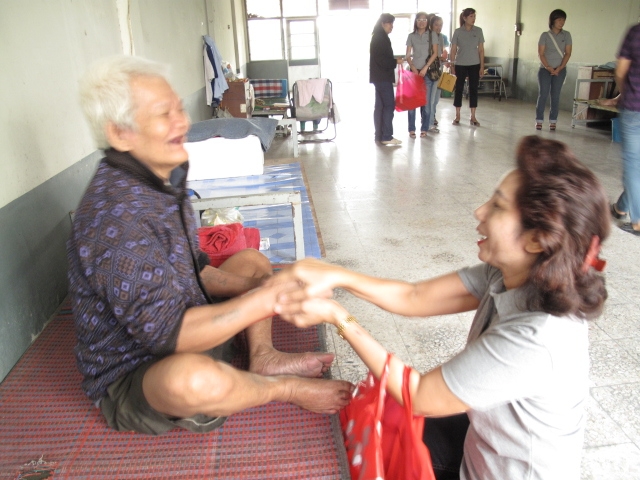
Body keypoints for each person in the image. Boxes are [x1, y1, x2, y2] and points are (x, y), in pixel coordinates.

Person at [274, 135, 610, 479]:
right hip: (481, 439)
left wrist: (338, 316)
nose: (479, 212)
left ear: (537, 239)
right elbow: (414, 296)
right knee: (381, 425)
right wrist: (338, 275)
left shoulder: (537, 339)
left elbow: (420, 395)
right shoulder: (510, 273)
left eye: (497, 206)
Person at [67, 55, 352, 435]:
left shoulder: (159, 178)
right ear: (120, 133)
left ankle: (263, 358)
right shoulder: (114, 218)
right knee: (189, 379)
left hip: (188, 319)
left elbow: (197, 270)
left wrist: (259, 285)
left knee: (250, 260)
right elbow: (172, 335)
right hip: (141, 369)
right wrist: (268, 299)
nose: (182, 123)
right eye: (163, 114)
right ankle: (282, 386)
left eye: (179, 109)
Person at [610, 23, 640, 236]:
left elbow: (620, 71)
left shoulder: (635, 32)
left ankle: (638, 221)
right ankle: (621, 207)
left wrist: (625, 93)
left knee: (633, 163)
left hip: (634, 107)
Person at [535, 9, 572, 131]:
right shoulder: (545, 35)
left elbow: (568, 53)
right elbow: (541, 53)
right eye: (559, 19)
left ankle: (553, 120)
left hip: (560, 70)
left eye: (563, 20)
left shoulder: (566, 35)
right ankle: (539, 120)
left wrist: (560, 68)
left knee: (555, 95)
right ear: (553, 20)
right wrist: (548, 67)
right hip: (545, 70)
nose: (562, 22)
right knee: (543, 94)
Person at [370, 13, 404, 145]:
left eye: (392, 23)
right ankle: (387, 136)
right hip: (383, 77)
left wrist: (394, 60)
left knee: (380, 106)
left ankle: (379, 135)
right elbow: (382, 60)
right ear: (382, 23)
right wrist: (395, 61)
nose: (391, 26)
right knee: (389, 105)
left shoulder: (378, 36)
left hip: (379, 77)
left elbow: (381, 58)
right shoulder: (381, 38)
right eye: (389, 23)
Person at [450, 8, 485, 126]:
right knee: (459, 89)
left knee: (473, 89)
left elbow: (481, 50)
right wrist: (452, 64)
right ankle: (457, 115)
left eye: (474, 16)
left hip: (474, 64)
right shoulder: (458, 32)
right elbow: (453, 50)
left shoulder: (478, 31)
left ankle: (473, 116)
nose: (473, 19)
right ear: (464, 18)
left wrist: (482, 66)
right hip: (460, 64)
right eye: (471, 16)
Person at [406, 12, 431, 138]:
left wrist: (425, 68)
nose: (422, 22)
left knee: (425, 103)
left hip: (427, 72)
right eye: (419, 20)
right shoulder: (411, 36)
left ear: (427, 22)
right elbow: (407, 55)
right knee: (412, 103)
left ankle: (424, 128)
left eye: (424, 20)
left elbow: (435, 53)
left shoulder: (431, 35)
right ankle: (411, 129)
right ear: (416, 21)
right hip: (414, 72)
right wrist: (413, 68)